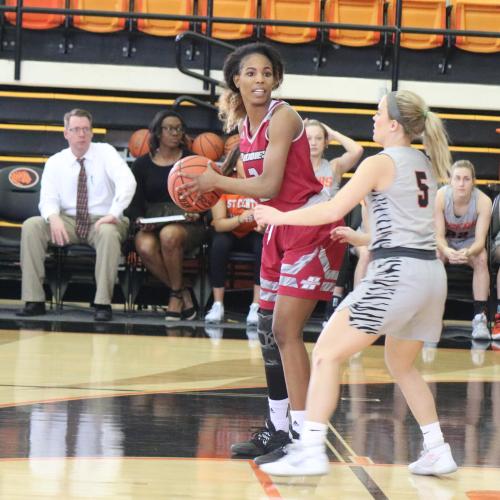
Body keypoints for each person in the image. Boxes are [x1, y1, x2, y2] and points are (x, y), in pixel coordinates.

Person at [254, 89, 458, 477]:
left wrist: (277, 216)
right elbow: (408, 227)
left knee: (327, 354)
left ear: (395, 124)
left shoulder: (379, 163)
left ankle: (310, 450)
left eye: (379, 113)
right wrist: (364, 239)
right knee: (401, 364)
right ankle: (437, 448)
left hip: (397, 274)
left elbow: (331, 209)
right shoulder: (424, 164)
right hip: (430, 275)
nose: (374, 119)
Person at [178, 42, 346, 464]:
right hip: (277, 230)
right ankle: (278, 427)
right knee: (269, 334)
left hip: (309, 226)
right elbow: (238, 185)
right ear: (236, 78)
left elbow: (269, 186)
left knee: (287, 333)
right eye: (251, 73)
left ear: (276, 80)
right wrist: (201, 188)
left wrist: (215, 181)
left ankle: (306, 438)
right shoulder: (242, 130)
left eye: (267, 73)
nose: (260, 80)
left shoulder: (283, 117)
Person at [17, 108, 136, 322]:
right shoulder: (55, 161)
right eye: (75, 129)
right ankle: (34, 300)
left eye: (85, 129)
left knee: (109, 234)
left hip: (102, 219)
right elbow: (47, 198)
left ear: (91, 133)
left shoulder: (106, 152)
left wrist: (114, 213)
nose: (81, 134)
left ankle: (102, 303)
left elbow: (128, 182)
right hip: (67, 220)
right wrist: (53, 218)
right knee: (32, 226)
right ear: (66, 133)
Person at [126, 110, 206, 321]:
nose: (175, 133)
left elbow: (207, 195)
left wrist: (198, 212)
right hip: (154, 220)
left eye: (179, 129)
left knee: (169, 235)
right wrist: (140, 221)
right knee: (143, 244)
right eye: (170, 128)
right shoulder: (142, 164)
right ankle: (181, 290)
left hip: (186, 220)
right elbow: (133, 202)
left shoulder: (192, 161)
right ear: (157, 133)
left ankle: (174, 296)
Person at [305, 119, 363, 323]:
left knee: (341, 239)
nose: (313, 142)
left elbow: (357, 150)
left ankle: (334, 301)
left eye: (318, 138)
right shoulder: (293, 166)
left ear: (325, 142)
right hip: (304, 224)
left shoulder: (334, 166)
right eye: (308, 138)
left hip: (328, 226)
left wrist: (331, 130)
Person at [204, 147, 264, 325]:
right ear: (235, 164)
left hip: (254, 234)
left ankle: (256, 305)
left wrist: (264, 226)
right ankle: (217, 304)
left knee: (264, 244)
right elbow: (220, 224)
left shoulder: (264, 185)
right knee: (219, 244)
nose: (248, 164)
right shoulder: (223, 185)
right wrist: (240, 218)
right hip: (229, 231)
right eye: (244, 160)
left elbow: (273, 218)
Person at [435, 159, 492, 340]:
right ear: (450, 180)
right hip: (446, 244)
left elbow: (480, 241)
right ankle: (433, 317)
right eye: (457, 178)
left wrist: (467, 253)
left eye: (466, 179)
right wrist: (446, 250)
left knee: (482, 258)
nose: (461, 183)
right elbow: (437, 236)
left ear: (473, 181)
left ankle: (480, 318)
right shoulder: (441, 197)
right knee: (435, 256)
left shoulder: (483, 201)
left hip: (470, 245)